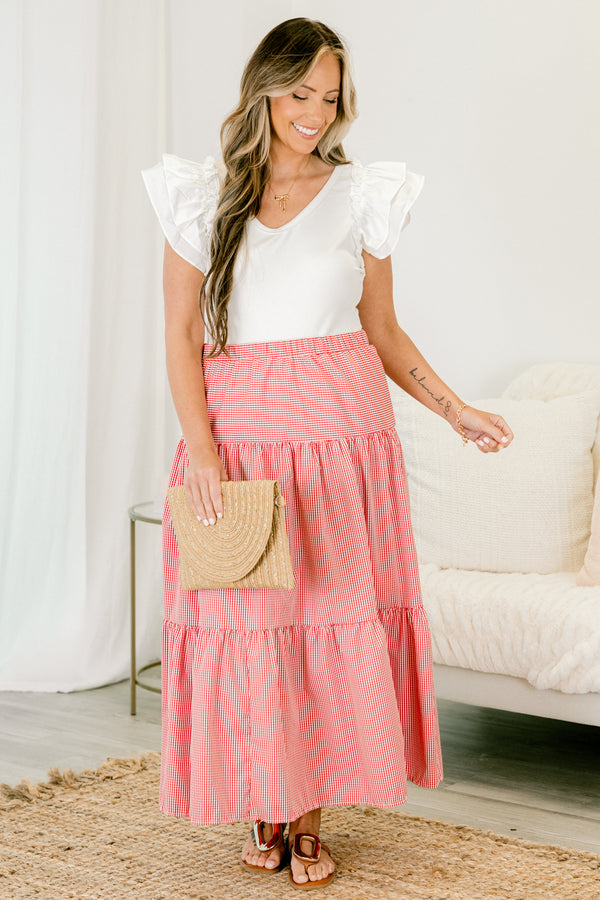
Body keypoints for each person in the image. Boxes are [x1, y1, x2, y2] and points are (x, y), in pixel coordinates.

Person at [142, 17, 514, 891]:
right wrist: (202, 453)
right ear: (264, 90)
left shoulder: (361, 195)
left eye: (330, 95)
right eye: (300, 92)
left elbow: (382, 329)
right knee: (254, 629)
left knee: (329, 627)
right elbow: (182, 334)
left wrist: (454, 409)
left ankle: (307, 821)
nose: (315, 111)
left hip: (344, 447)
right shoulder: (201, 197)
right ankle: (266, 805)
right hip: (242, 443)